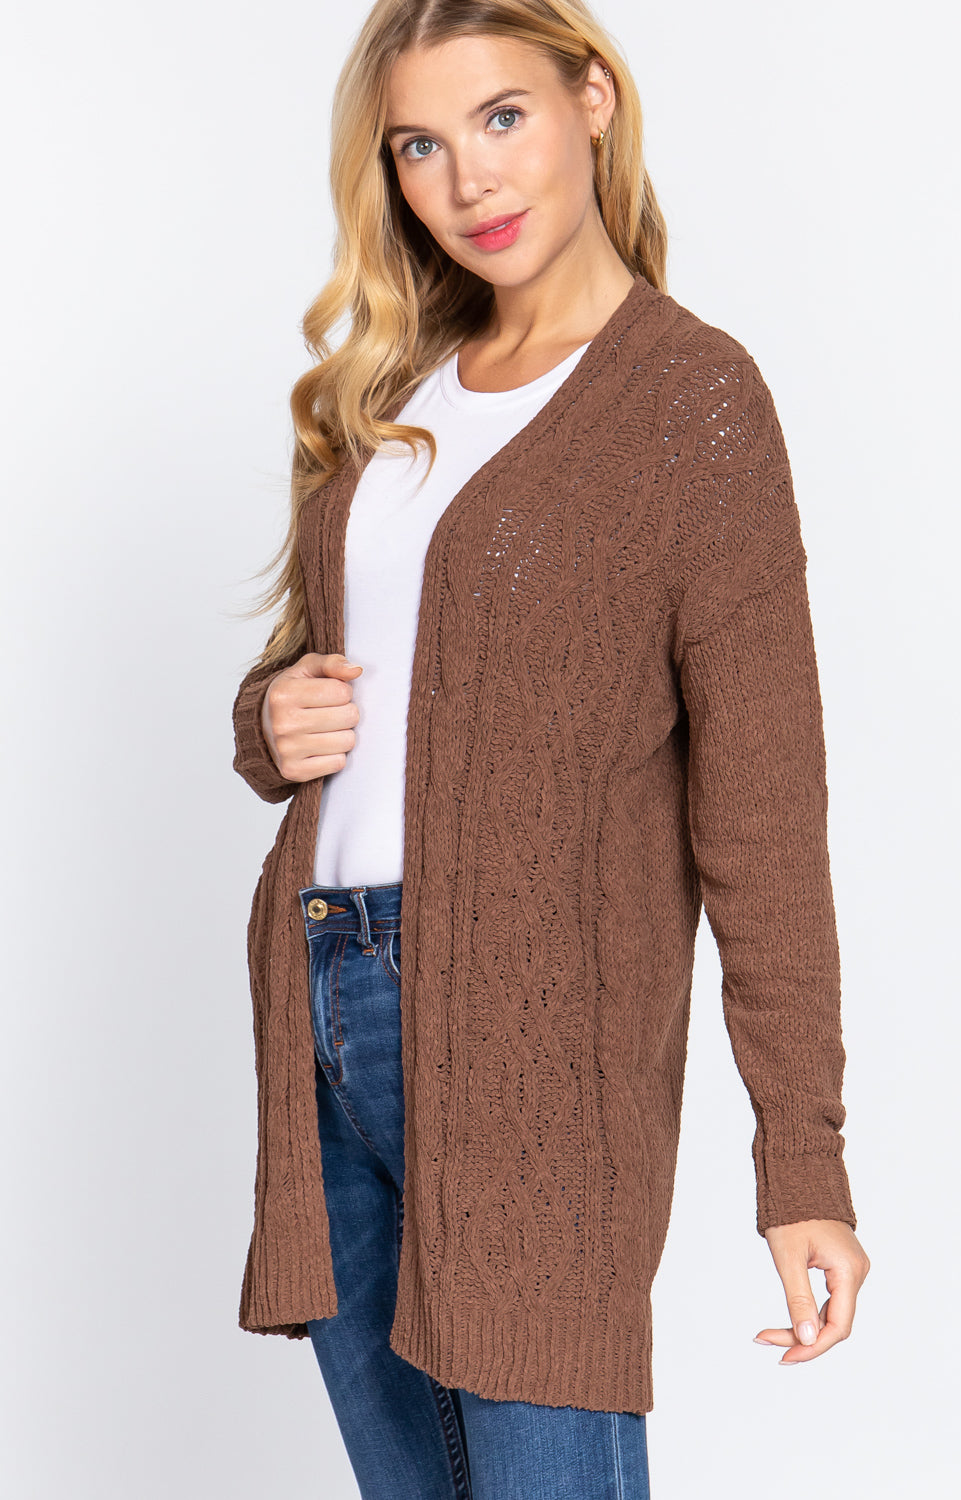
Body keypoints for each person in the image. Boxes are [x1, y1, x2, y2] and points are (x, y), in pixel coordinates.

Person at [230, 2, 870, 1495]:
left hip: (539, 1044)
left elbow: (764, 814)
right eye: (419, 146)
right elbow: (341, 683)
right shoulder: (387, 391)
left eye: (502, 117)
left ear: (593, 100)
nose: (469, 181)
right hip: (323, 1001)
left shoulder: (690, 400)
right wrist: (266, 721)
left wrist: (804, 1162)